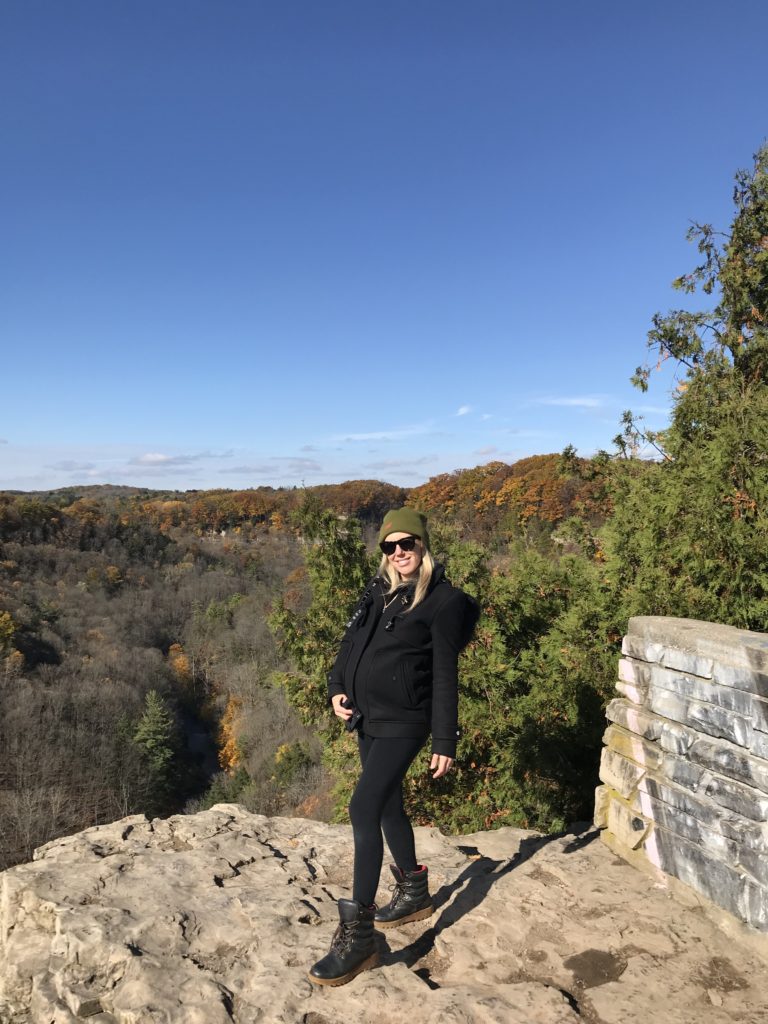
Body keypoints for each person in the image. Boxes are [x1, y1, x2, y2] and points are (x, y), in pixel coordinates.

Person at [308, 507, 476, 987]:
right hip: (366, 717)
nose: (399, 552)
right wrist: (337, 687)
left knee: (363, 806)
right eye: (390, 545)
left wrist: (445, 737)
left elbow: (446, 671)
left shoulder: (443, 601)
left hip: (407, 721)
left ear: (424, 545)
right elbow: (350, 646)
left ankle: (358, 934)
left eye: (408, 544)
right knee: (386, 807)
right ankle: (413, 889)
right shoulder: (378, 590)